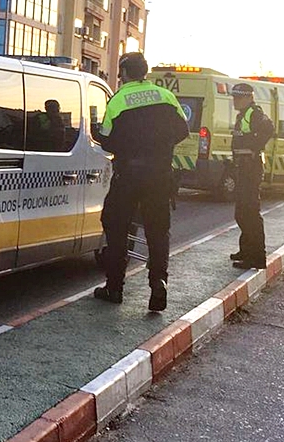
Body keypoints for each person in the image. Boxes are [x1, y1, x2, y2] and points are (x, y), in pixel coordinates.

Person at [93, 52, 188, 312]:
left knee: (115, 226)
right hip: (160, 175)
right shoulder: (166, 96)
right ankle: (158, 283)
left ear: (124, 72)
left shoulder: (118, 100)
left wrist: (126, 147)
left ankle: (114, 288)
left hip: (128, 176)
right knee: (158, 231)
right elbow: (183, 130)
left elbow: (106, 139)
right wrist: (160, 148)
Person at [228, 82, 274, 270]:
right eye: (234, 97)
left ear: (249, 97)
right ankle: (246, 250)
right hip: (243, 166)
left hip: (251, 167)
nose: (235, 101)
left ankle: (257, 257)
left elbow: (268, 129)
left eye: (239, 97)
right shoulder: (244, 115)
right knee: (241, 212)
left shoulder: (254, 113)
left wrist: (253, 147)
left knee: (250, 213)